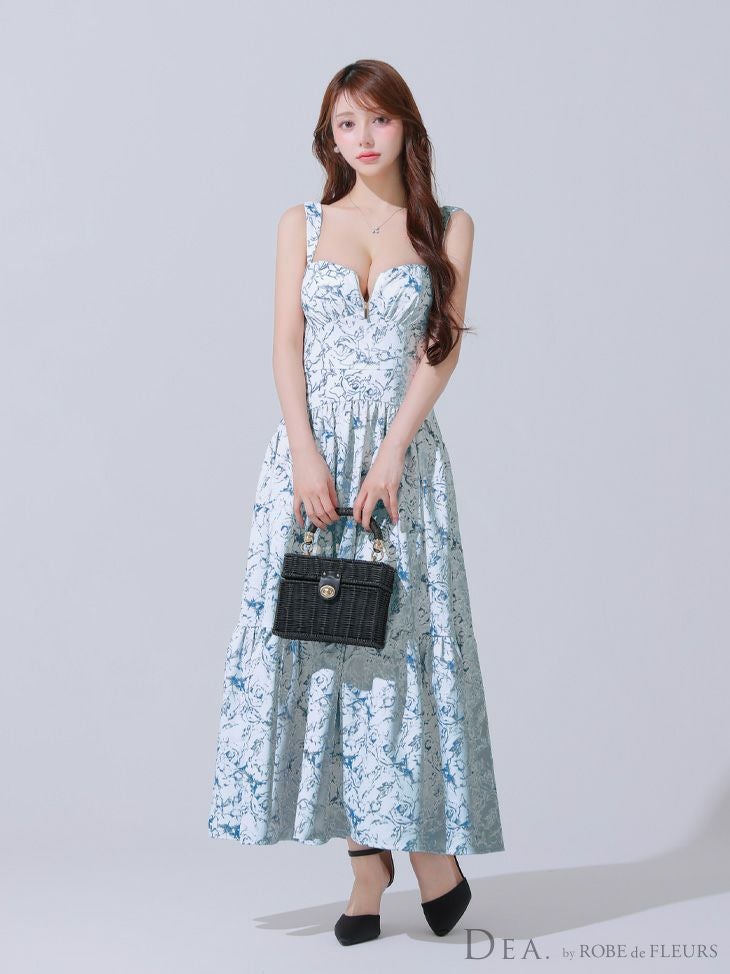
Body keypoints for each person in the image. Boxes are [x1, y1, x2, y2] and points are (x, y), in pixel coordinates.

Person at [208, 58, 504, 947]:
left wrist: (392, 453)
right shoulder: (300, 225)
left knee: (401, 656)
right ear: (328, 137)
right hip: (312, 466)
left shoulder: (448, 226)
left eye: (378, 119)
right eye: (346, 124)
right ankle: (369, 868)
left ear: (406, 126)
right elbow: (284, 343)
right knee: (327, 649)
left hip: (400, 466)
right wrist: (304, 453)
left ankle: (422, 850)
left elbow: (440, 348)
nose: (363, 138)